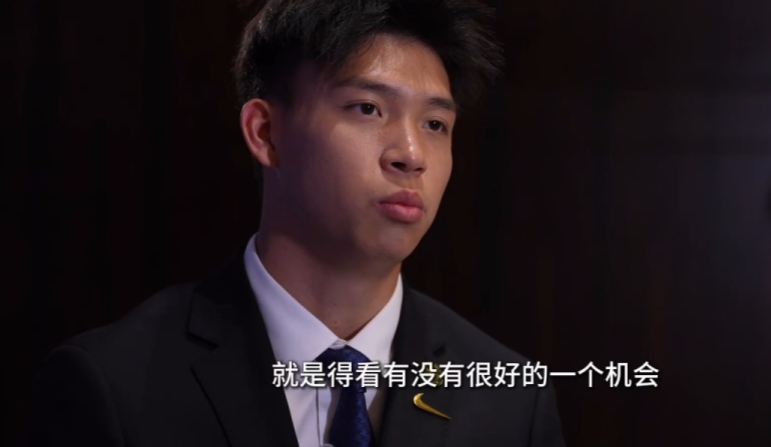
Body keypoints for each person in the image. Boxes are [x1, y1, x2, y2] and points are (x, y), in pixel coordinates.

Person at [28, 0, 566, 445]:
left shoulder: (513, 402)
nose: (411, 154)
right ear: (265, 133)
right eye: (368, 108)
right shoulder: (113, 385)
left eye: (435, 124)